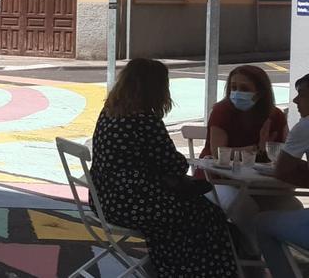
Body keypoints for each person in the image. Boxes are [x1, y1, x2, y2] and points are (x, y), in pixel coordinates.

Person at [90, 58, 237, 277]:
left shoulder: (110, 112)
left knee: (196, 213)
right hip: (135, 204)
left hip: (105, 200)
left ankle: (168, 268)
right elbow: (173, 163)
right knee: (209, 217)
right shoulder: (145, 119)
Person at [198, 66, 292, 245]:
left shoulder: (275, 116)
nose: (237, 93)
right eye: (233, 87)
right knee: (243, 206)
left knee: (291, 206)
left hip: (257, 182)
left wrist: (263, 149)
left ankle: (269, 253)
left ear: (260, 92)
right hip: (217, 180)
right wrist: (255, 149)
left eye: (244, 89)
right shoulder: (222, 111)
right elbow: (219, 153)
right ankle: (258, 251)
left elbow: (280, 154)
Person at [255, 74, 309, 277]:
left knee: (261, 222)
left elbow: (282, 170)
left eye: (302, 95)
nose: (295, 100)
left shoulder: (305, 126)